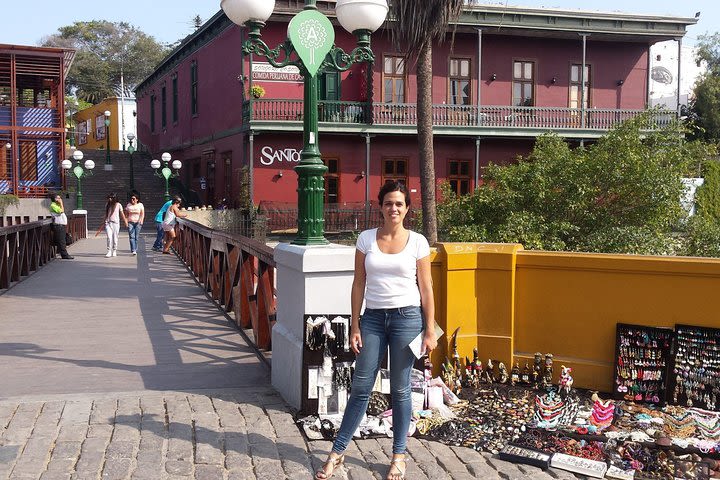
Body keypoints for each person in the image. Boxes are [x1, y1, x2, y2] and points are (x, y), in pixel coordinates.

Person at [315, 181, 436, 480]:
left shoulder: (418, 242)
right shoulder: (366, 239)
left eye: (399, 204)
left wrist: (430, 330)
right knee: (361, 386)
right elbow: (359, 283)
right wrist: (355, 323)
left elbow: (427, 288)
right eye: (388, 203)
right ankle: (338, 452)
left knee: (400, 388)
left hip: (407, 319)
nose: (393, 208)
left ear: (407, 208)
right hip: (372, 320)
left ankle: (399, 455)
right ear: (380, 206)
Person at [48, 194, 73, 260]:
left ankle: (62, 252)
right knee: (62, 241)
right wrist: (61, 203)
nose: (60, 199)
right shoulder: (53, 205)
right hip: (58, 225)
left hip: (61, 225)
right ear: (55, 199)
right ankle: (64, 255)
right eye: (59, 198)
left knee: (63, 240)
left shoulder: (56, 205)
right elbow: (61, 211)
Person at [103, 193, 127, 257]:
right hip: (108, 223)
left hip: (116, 223)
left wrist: (125, 222)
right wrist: (104, 220)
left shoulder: (118, 205)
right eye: (109, 198)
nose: (109, 199)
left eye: (111, 198)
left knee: (115, 238)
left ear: (114, 198)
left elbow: (122, 214)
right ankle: (109, 251)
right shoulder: (107, 205)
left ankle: (114, 250)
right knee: (109, 237)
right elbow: (106, 214)